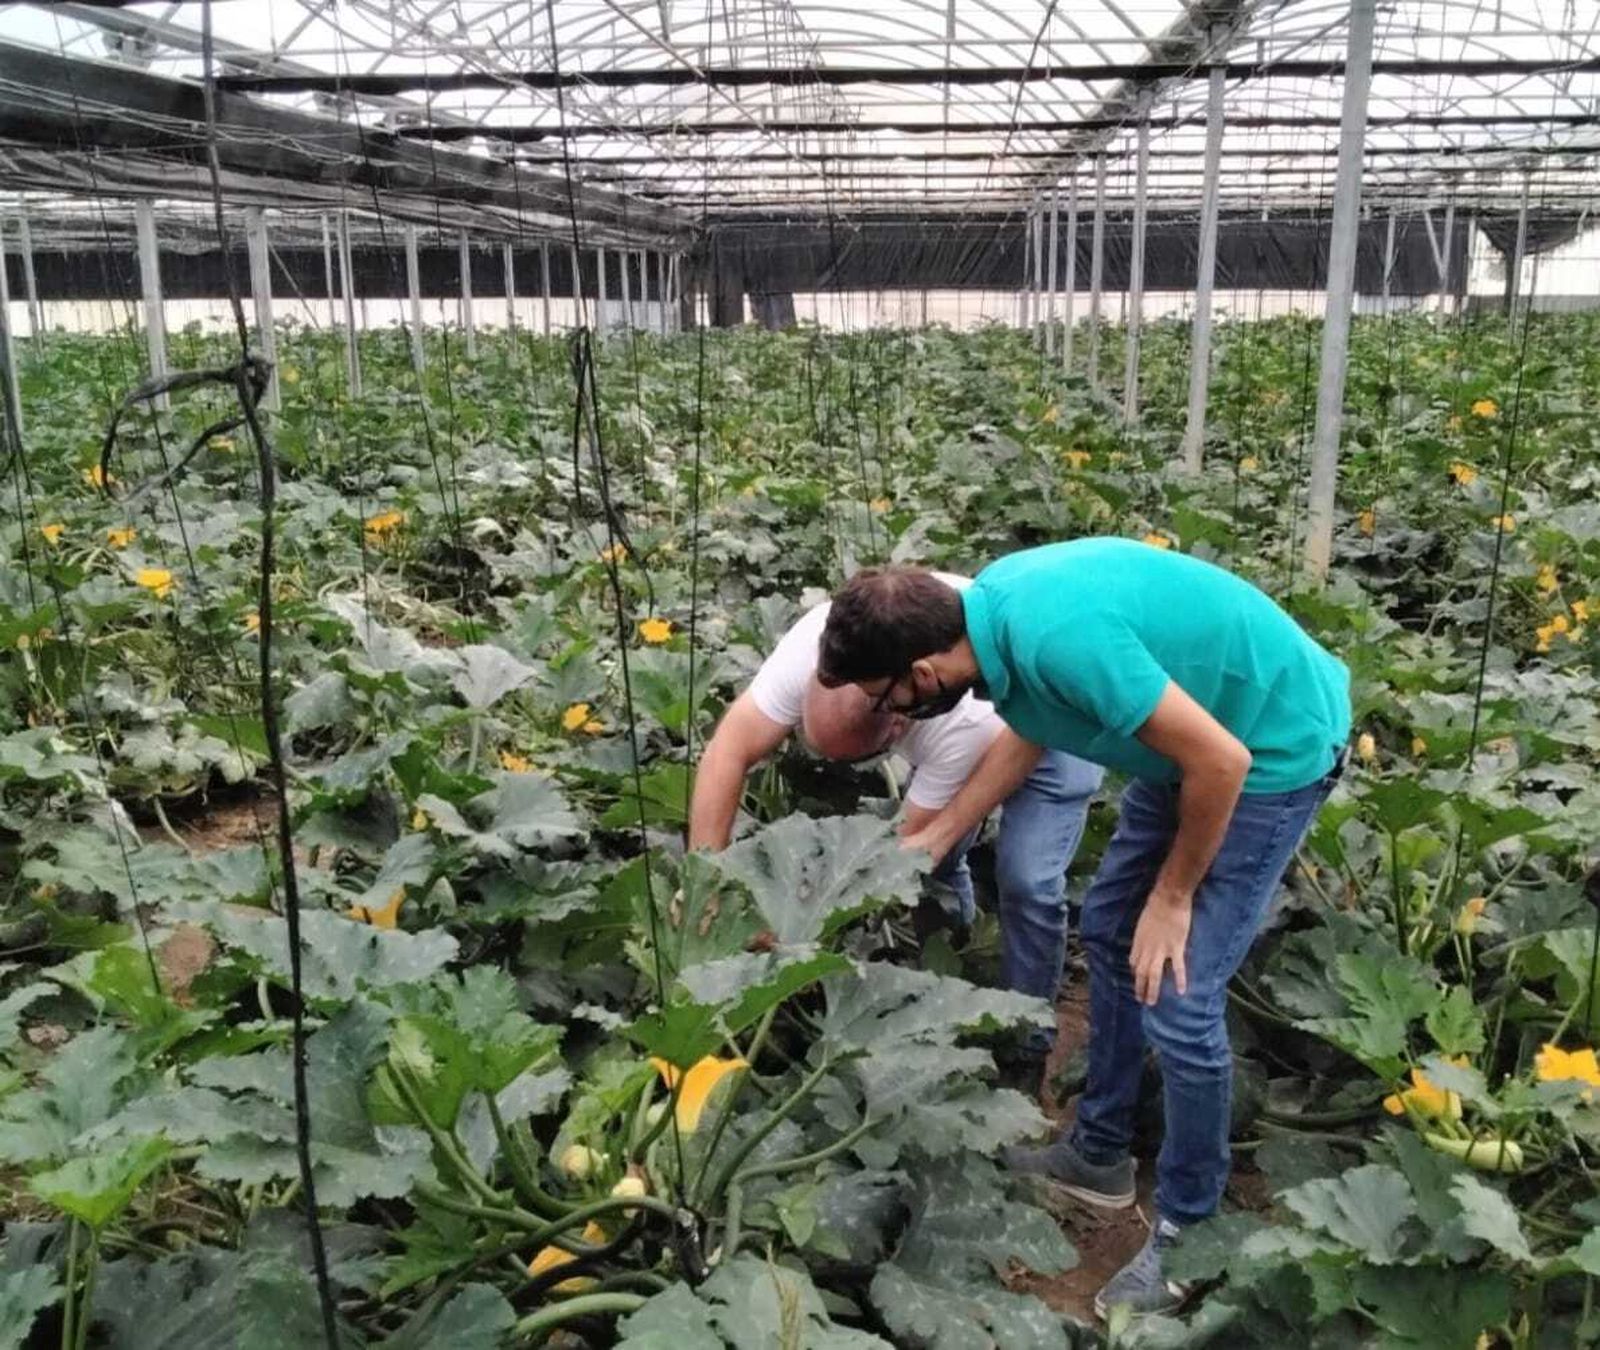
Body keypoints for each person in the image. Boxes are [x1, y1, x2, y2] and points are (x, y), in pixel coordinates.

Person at [815, 538, 1350, 1320]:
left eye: (886, 697)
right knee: (1106, 926)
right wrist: (941, 834)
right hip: (1190, 748)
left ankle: (1188, 1229)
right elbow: (1033, 730)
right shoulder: (995, 615)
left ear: (923, 674)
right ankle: (1099, 1154)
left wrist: (1174, 897)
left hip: (1270, 751)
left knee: (1180, 990)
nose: (893, 713)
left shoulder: (1057, 637)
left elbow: (1222, 763)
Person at [688, 576, 1104, 1092]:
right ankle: (950, 964)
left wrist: (788, 926)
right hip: (948, 711)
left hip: (1050, 732)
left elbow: (891, 856)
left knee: (1027, 880)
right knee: (944, 861)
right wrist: (705, 879)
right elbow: (727, 751)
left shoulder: (952, 719)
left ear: (899, 723)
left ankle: (1027, 1044)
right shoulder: (824, 648)